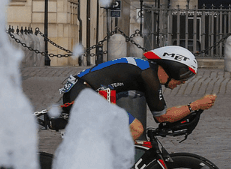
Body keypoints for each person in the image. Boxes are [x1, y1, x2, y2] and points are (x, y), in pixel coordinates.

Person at [42, 45, 217, 141]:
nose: (184, 81)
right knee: (135, 128)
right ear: (174, 68)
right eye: (184, 75)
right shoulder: (149, 75)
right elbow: (163, 116)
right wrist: (195, 105)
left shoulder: (147, 69)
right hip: (84, 93)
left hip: (83, 91)